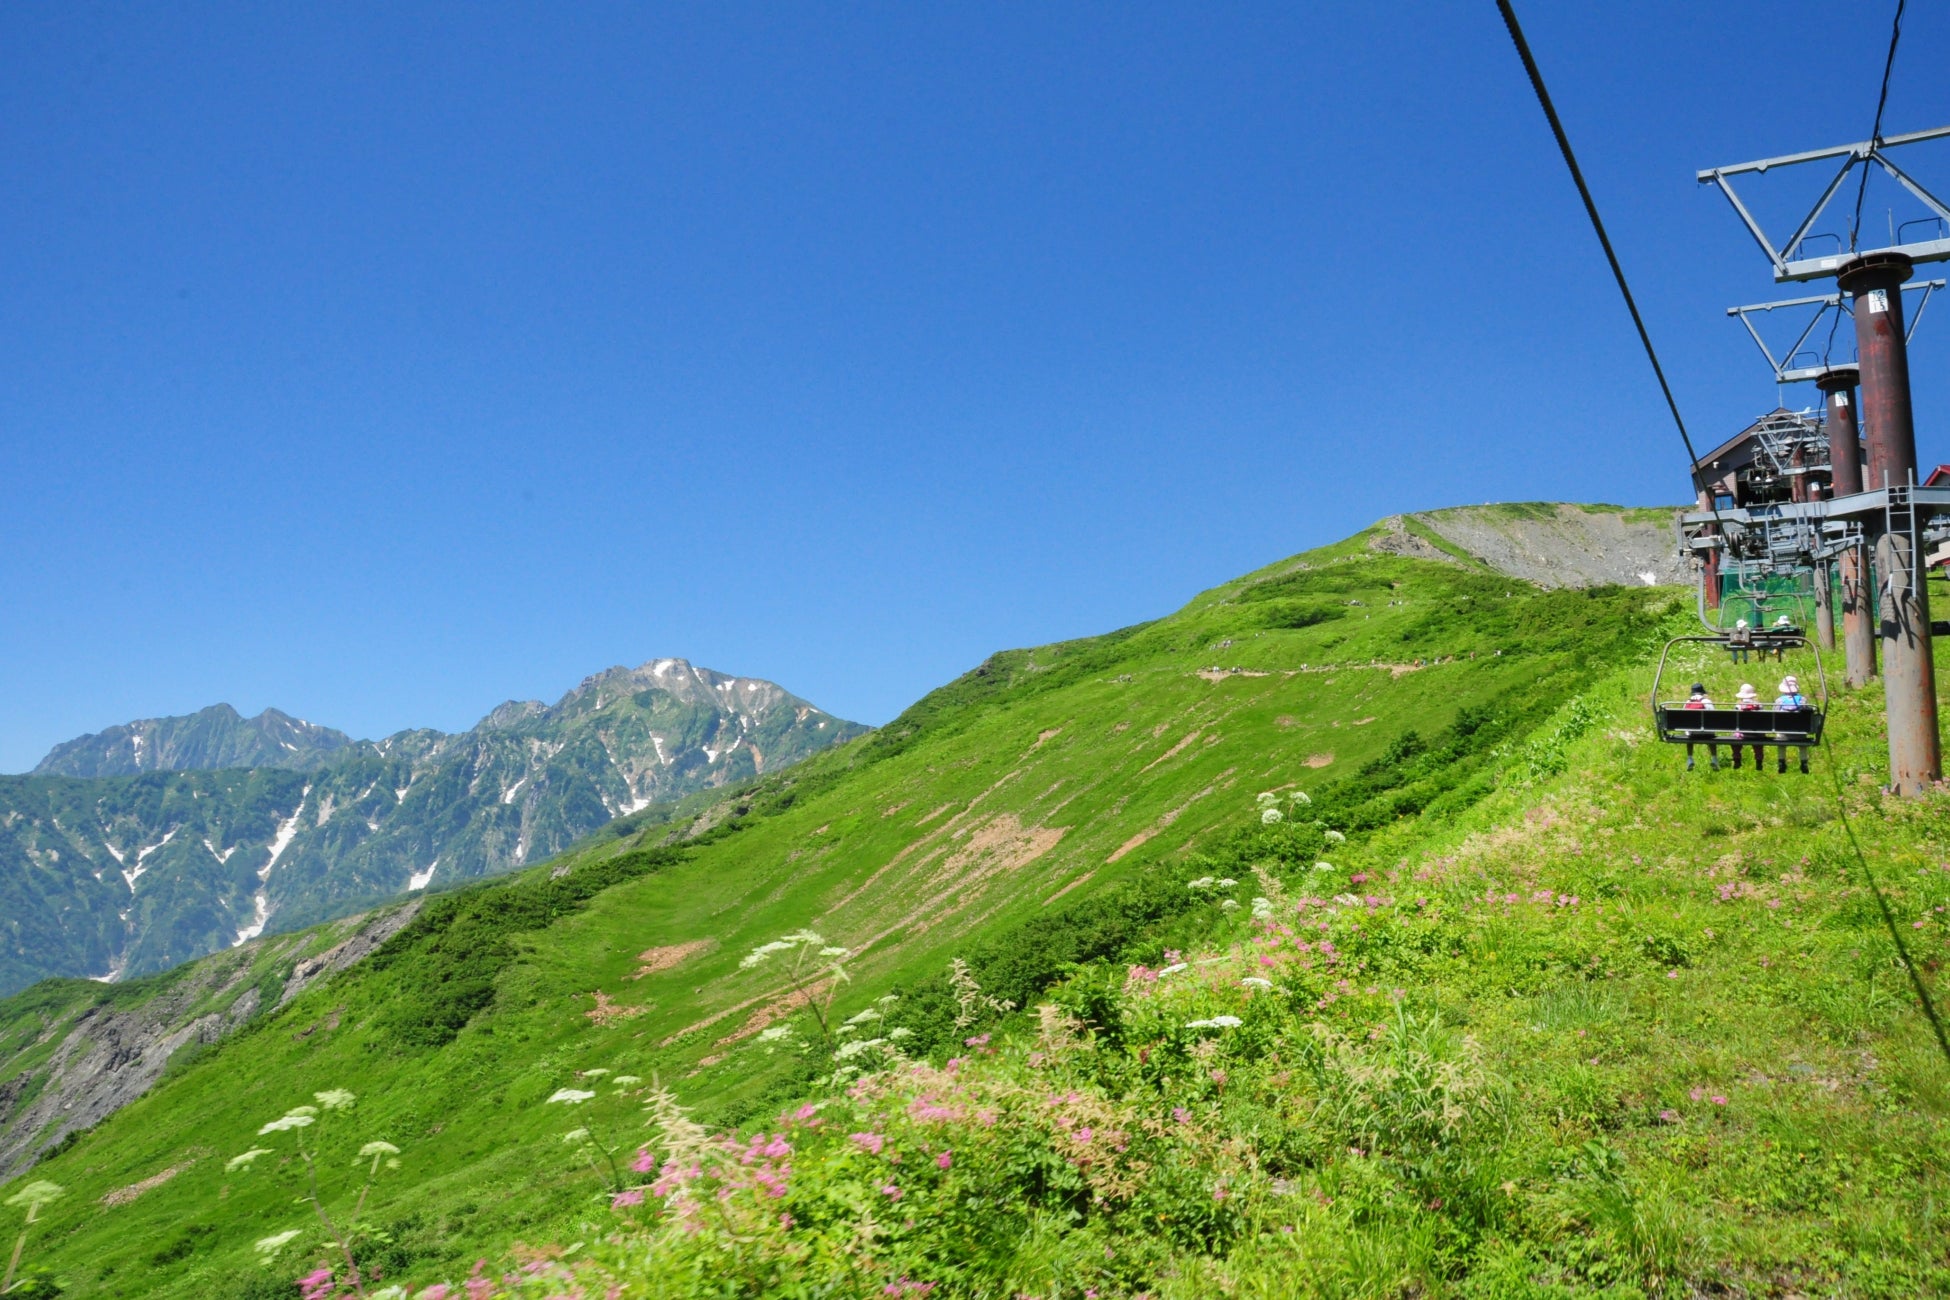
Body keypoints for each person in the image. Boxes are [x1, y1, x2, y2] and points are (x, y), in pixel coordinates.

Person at [1775, 674, 1811, 774]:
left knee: (1781, 742)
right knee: (1802, 743)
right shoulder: (1803, 700)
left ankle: (1781, 762)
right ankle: (1804, 762)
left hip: (1783, 734)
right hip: (1800, 733)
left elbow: (1774, 716)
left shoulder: (1779, 701)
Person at [1681, 683, 1717, 770]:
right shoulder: (1707, 702)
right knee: (1712, 735)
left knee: (1688, 733)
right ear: (1702, 692)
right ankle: (1714, 759)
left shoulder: (1688, 702)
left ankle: (1690, 758)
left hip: (1692, 733)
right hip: (1706, 733)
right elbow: (1714, 716)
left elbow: (1683, 716)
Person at [1731, 683, 1764, 770]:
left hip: (1741, 733)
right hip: (1757, 734)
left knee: (1735, 737)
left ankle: (1737, 758)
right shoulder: (1759, 705)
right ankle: (1759, 761)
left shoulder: (1738, 706)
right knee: (1758, 743)